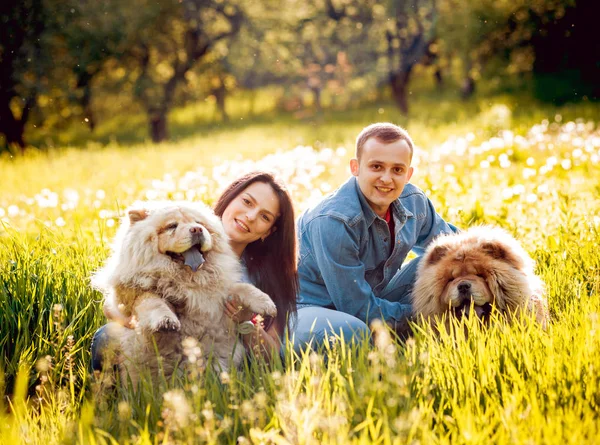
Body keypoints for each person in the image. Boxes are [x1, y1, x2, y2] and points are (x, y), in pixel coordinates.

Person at [90, 171, 298, 370]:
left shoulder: (267, 276)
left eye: (265, 217)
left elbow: (273, 357)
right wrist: (144, 314)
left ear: (269, 231)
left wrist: (245, 322)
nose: (251, 216)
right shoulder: (186, 218)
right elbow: (119, 297)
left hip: (222, 363)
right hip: (160, 353)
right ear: (231, 196)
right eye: (247, 202)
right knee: (107, 336)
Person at [292, 122, 458, 351]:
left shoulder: (414, 200)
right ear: (355, 167)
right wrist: (431, 312)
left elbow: (458, 248)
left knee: (447, 259)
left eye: (397, 170)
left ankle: (410, 330)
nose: (387, 179)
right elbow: (356, 307)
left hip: (370, 294)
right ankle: (408, 333)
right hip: (308, 309)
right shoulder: (334, 221)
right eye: (377, 167)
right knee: (353, 330)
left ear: (408, 173)